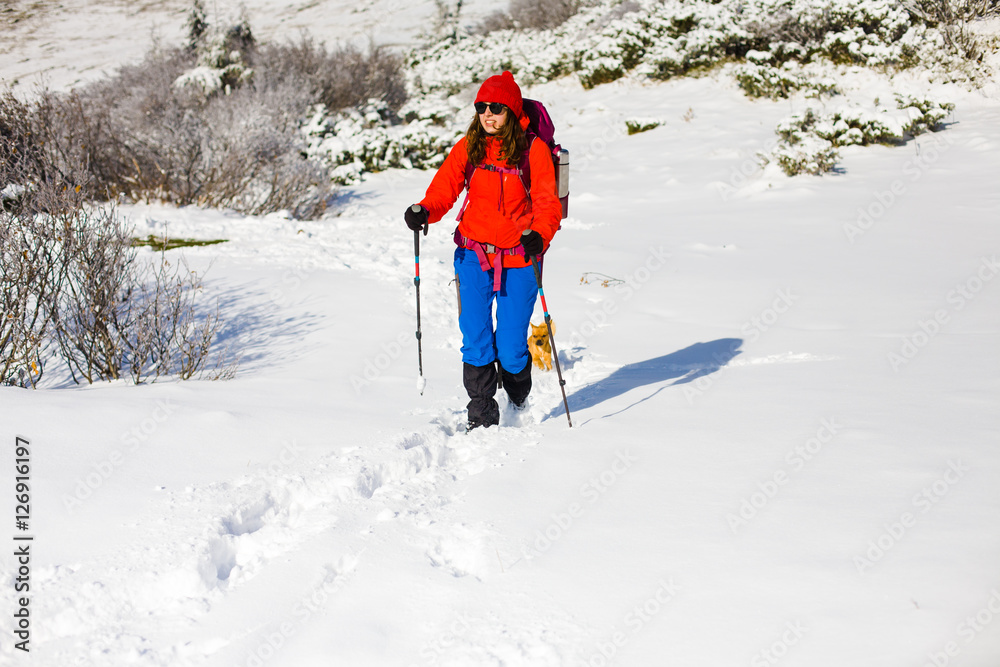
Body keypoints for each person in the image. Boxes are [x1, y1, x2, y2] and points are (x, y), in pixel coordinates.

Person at [404, 70, 562, 430]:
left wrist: (540, 234)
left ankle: (518, 400)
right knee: (475, 339)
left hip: (520, 258)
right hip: (473, 253)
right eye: (481, 107)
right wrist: (424, 211)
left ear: (513, 111)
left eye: (496, 107)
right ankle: (483, 415)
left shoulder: (532, 150)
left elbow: (547, 203)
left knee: (510, 347)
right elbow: (443, 190)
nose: (488, 114)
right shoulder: (469, 147)